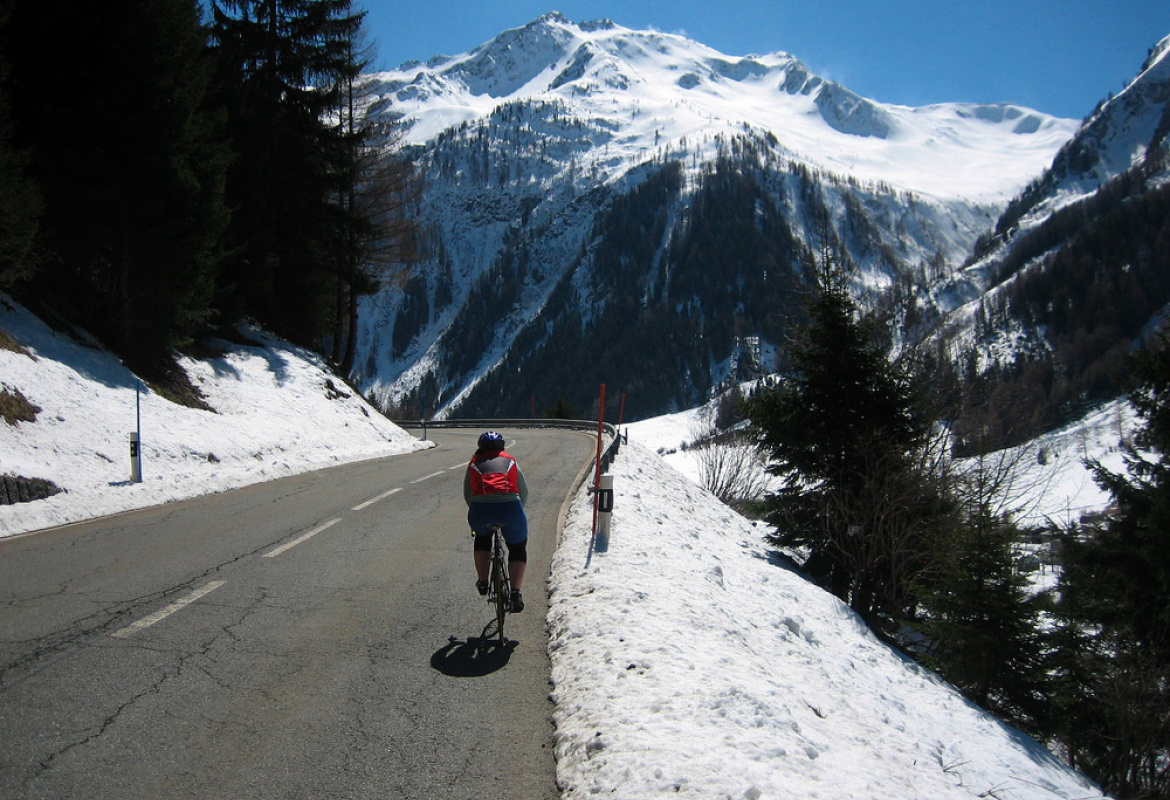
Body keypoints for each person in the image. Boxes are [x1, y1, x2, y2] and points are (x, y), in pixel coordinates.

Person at [463, 431, 529, 613]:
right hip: (511, 509)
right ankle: (515, 592)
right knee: (517, 548)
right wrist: (517, 510)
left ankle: (483, 582)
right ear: (502, 447)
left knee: (482, 539)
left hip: (480, 512)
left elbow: (468, 495)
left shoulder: (474, 463)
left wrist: (477, 511)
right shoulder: (510, 461)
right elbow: (524, 492)